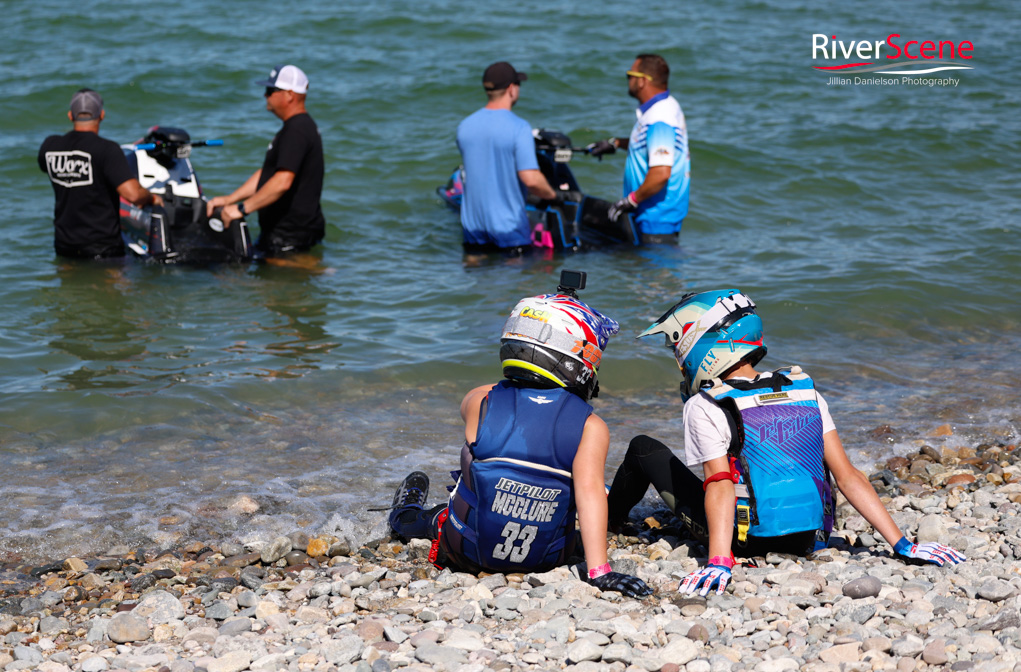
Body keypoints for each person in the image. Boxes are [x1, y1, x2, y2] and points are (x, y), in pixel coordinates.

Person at [606, 289, 965, 596]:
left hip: (745, 541)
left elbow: (719, 483)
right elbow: (846, 474)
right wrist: (903, 544)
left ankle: (608, 524)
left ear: (702, 344)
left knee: (642, 447)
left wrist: (718, 561)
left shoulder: (707, 404)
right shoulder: (803, 390)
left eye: (677, 350)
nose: (679, 361)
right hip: (810, 538)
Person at [387, 282, 651, 598]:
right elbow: (590, 495)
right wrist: (599, 573)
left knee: (432, 516)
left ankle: (406, 511)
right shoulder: (592, 427)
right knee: (585, 483)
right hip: (547, 560)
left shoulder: (479, 400)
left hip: (467, 553)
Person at [206, 64, 325, 256]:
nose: (265, 95)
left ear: (289, 95)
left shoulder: (297, 130)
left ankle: (316, 270)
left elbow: (282, 182)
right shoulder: (295, 128)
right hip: (283, 232)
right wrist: (230, 199)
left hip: (289, 235)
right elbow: (269, 175)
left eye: (270, 90)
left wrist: (242, 209)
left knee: (277, 280)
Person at [38, 89, 163, 259]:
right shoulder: (107, 149)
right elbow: (133, 195)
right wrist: (151, 197)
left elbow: (47, 167)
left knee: (69, 284)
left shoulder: (49, 146)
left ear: (70, 115)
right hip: (103, 249)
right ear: (102, 115)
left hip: (64, 246)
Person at [456, 61, 558, 253]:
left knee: (479, 281)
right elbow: (531, 179)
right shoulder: (519, 128)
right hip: (508, 230)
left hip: (472, 228)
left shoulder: (464, 127)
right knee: (520, 281)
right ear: (511, 89)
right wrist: (552, 195)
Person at [588, 54, 690, 243]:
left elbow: (661, 173)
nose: (628, 80)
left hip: (656, 221)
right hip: (653, 218)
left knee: (653, 272)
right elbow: (651, 146)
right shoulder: (663, 107)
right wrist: (616, 144)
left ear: (642, 81)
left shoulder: (660, 118)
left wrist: (630, 201)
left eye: (630, 75)